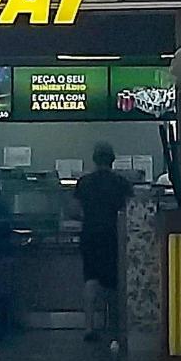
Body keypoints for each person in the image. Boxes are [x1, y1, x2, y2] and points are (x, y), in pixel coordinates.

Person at [73, 142, 132, 345]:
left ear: (94, 159)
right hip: (113, 235)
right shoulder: (121, 183)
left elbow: (75, 210)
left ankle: (89, 327)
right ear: (112, 160)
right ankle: (114, 326)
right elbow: (129, 210)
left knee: (91, 279)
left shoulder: (84, 182)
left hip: (90, 234)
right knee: (114, 282)